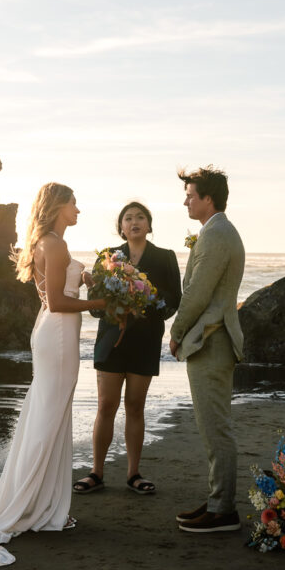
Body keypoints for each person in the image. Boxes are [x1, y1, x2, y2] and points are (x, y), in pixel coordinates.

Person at [0, 183, 106, 568]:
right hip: (58, 335)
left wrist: (91, 277)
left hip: (53, 333)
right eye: (74, 202)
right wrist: (102, 302)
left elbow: (58, 291)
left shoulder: (50, 241)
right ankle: (31, 508)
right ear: (59, 206)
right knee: (47, 422)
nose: (79, 208)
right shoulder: (54, 244)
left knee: (52, 419)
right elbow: (59, 302)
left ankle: (48, 510)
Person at [72, 202, 181, 496]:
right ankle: (97, 472)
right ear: (121, 226)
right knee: (106, 405)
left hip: (145, 339)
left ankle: (134, 473)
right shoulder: (108, 257)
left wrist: (143, 308)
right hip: (111, 339)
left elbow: (174, 299)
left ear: (149, 224)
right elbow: (95, 307)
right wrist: (114, 307)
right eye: (128, 218)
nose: (134, 222)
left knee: (135, 406)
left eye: (140, 217)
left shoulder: (165, 257)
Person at [169, 167, 245, 533]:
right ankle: (218, 501)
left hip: (211, 340)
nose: (185, 200)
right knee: (212, 426)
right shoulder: (215, 232)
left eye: (190, 194)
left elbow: (198, 293)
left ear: (208, 198)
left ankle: (224, 511)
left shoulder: (216, 235)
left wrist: (176, 330)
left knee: (216, 428)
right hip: (211, 340)